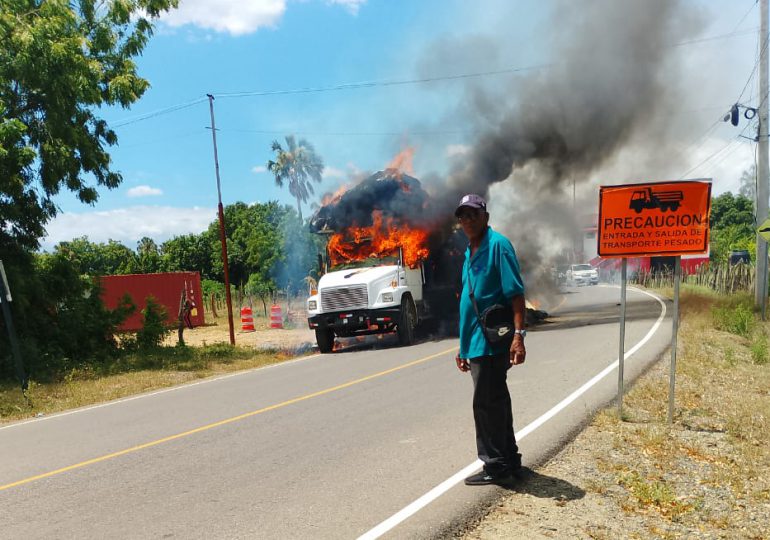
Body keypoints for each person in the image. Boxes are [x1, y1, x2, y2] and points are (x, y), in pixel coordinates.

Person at [454, 193, 527, 486]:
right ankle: (510, 460)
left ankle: (495, 466)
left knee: (485, 405)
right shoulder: (469, 252)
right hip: (475, 341)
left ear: (486, 216)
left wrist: (519, 337)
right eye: (463, 216)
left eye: (473, 214)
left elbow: (516, 294)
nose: (468, 220)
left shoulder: (499, 246)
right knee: (496, 401)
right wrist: (462, 348)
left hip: (492, 341)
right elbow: (468, 305)